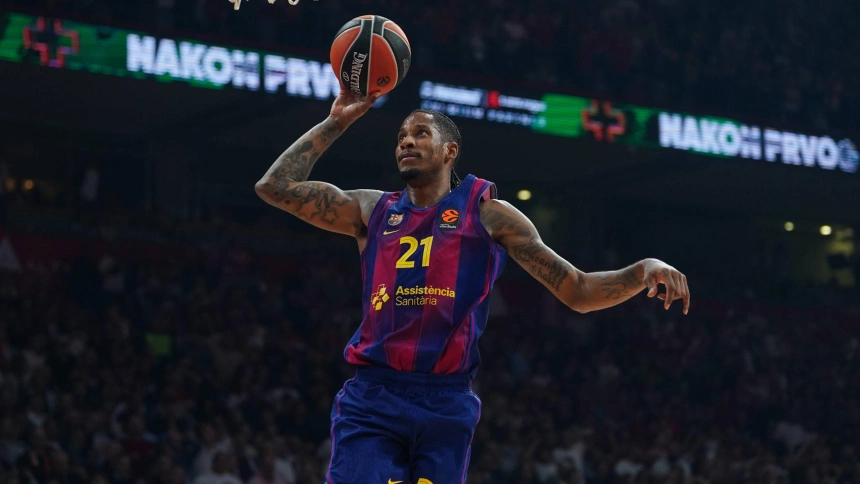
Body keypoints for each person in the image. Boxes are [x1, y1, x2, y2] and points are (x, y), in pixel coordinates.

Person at [254, 89, 691, 484]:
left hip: (445, 403)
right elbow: (274, 187)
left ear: (450, 151)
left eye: (419, 133)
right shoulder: (371, 210)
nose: (405, 141)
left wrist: (643, 269)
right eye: (401, 136)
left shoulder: (489, 215)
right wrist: (338, 121)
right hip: (374, 396)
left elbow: (577, 291)